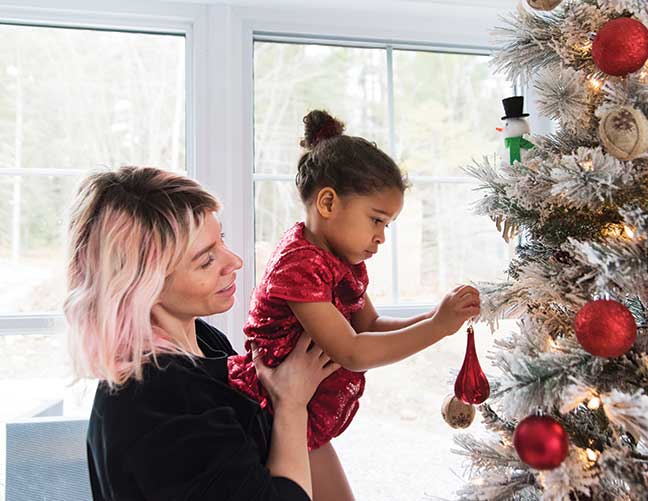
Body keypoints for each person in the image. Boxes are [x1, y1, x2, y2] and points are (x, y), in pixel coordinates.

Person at [228, 110, 481, 500]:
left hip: (298, 411)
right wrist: (436, 328)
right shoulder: (299, 264)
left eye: (387, 225)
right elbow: (352, 351)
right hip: (267, 413)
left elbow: (370, 326)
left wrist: (436, 316)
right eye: (376, 220)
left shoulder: (343, 262)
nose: (381, 237)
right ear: (328, 203)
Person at [63, 166, 339, 500]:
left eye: (221, 239)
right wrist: (292, 405)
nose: (235, 261)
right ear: (143, 287)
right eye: (206, 261)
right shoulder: (155, 401)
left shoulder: (206, 342)